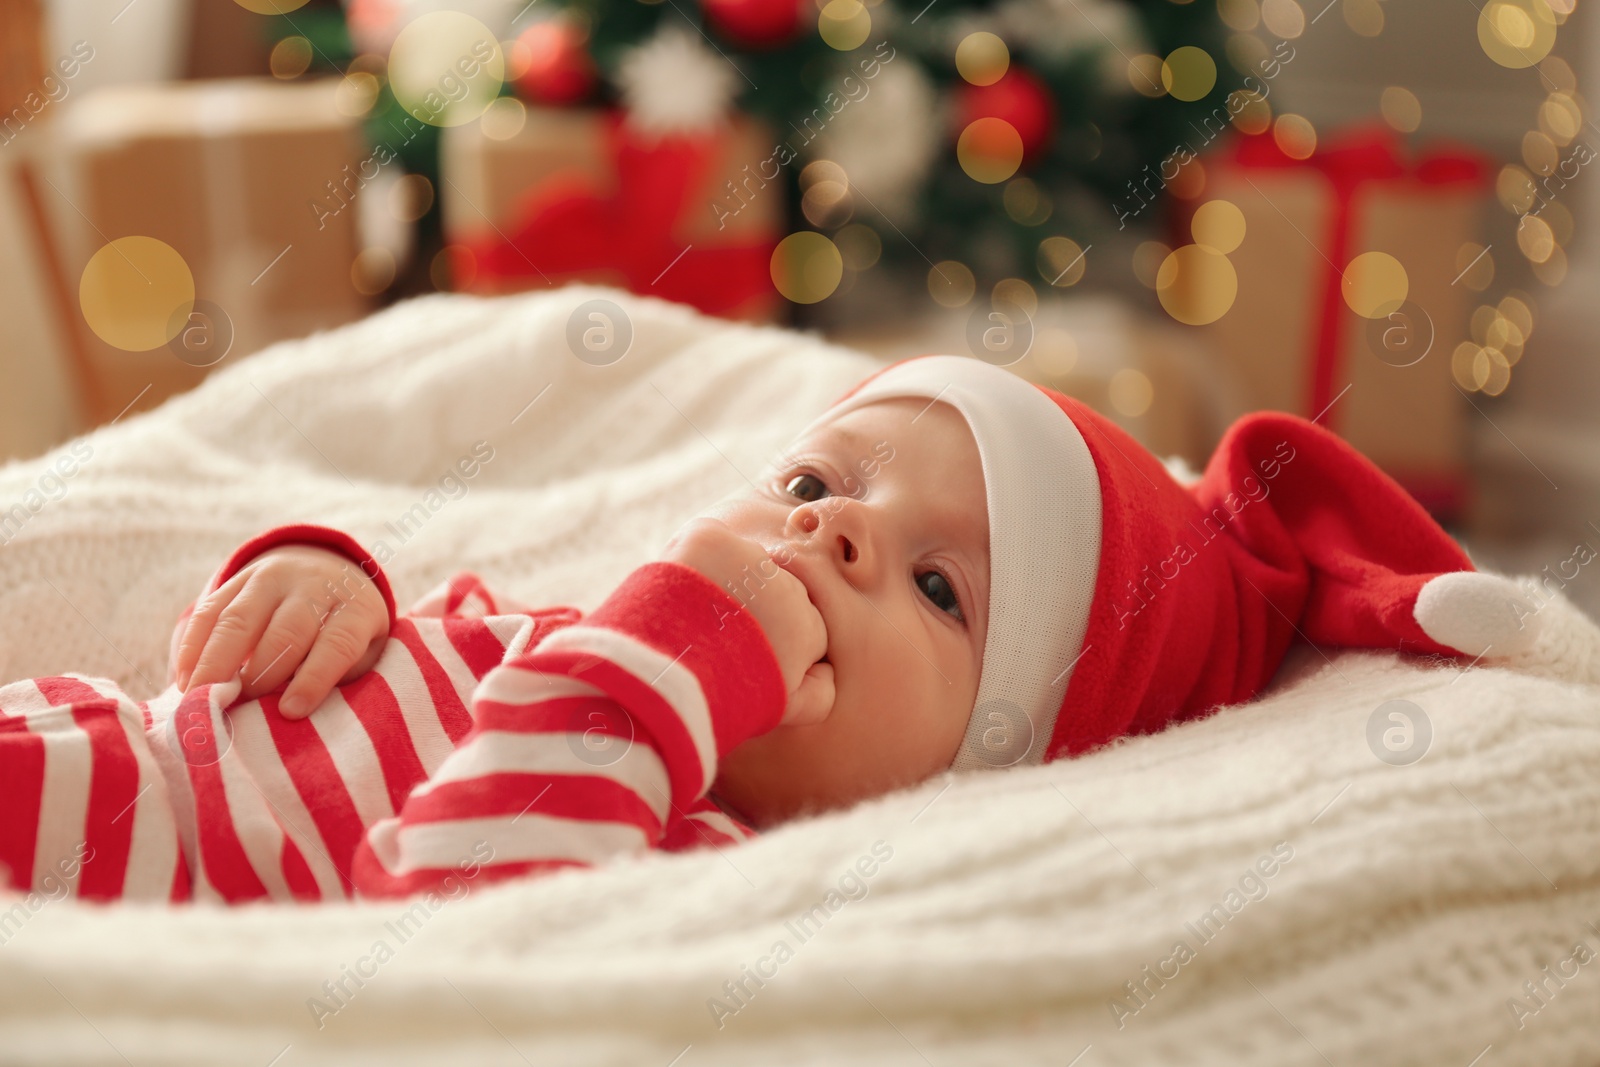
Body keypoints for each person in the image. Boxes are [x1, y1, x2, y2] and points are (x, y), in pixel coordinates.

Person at [0, 355, 1537, 904]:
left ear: (975, 771)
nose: (831, 530)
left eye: (942, 590)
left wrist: (685, 642)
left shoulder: (680, 849)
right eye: (813, 481)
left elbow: (456, 899)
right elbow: (409, 628)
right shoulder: (574, 631)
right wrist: (318, 571)